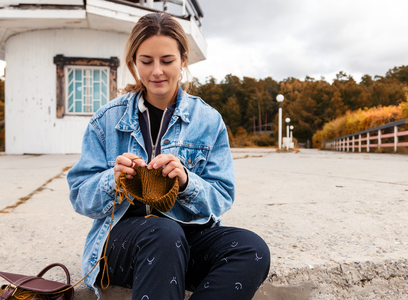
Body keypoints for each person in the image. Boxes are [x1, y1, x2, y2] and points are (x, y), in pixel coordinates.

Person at [67, 12, 270, 300]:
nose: (156, 71)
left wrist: (187, 181)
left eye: (167, 60)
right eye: (146, 61)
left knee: (252, 248)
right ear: (133, 62)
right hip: (124, 245)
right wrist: (111, 180)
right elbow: (79, 196)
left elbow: (222, 196)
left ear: (183, 60)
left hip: (187, 238)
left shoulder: (208, 121)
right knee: (162, 232)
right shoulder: (105, 121)